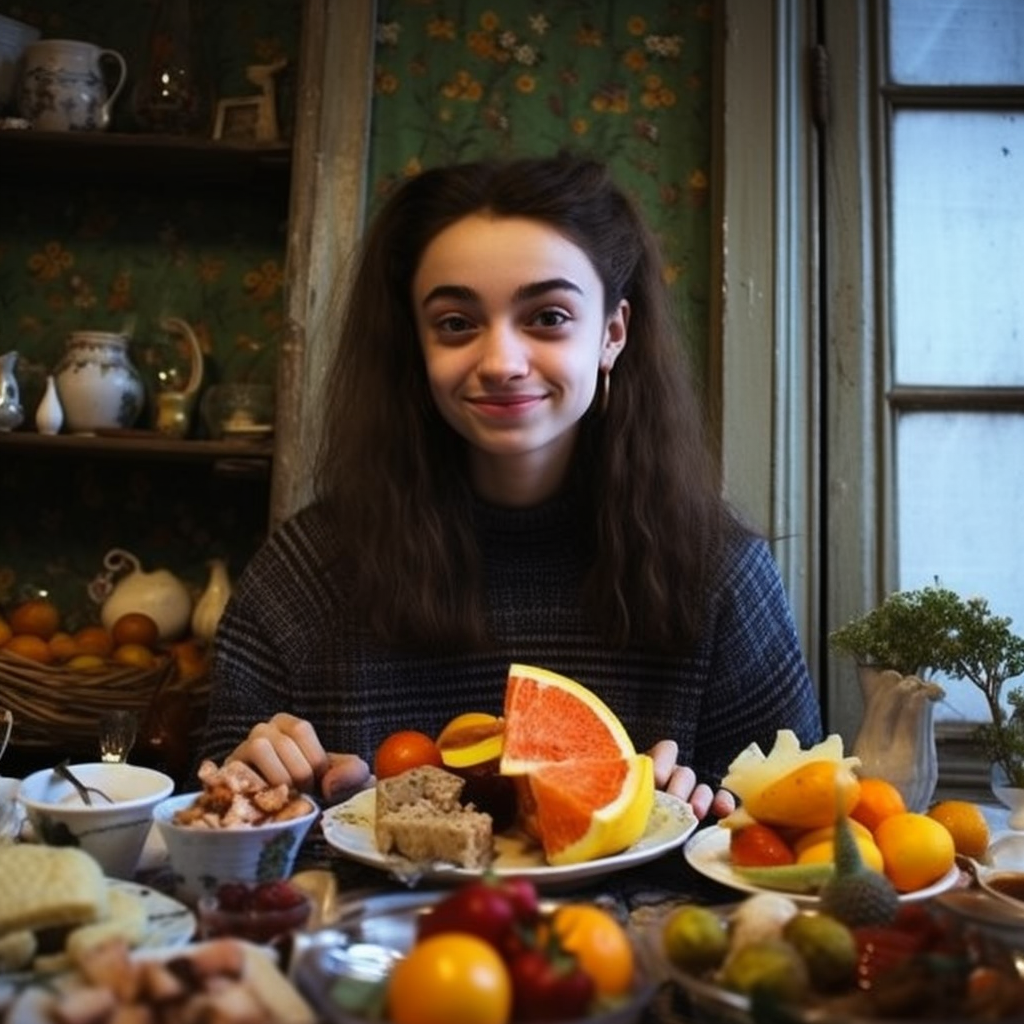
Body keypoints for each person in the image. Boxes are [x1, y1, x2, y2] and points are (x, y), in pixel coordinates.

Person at [198, 152, 822, 822]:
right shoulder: (303, 577)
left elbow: (797, 838)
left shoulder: (721, 577)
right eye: (456, 323)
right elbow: (214, 828)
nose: (501, 363)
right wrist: (253, 781)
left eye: (548, 317)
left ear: (612, 334)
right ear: (416, 345)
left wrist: (709, 819)